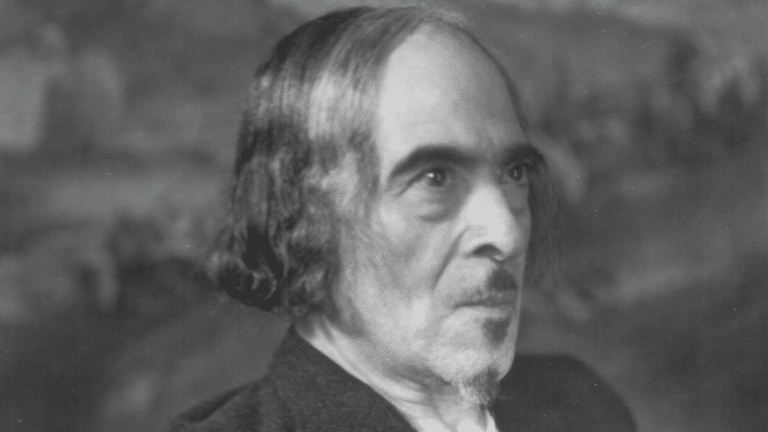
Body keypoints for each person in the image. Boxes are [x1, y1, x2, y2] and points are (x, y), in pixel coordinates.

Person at [168, 6, 636, 432]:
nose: (508, 234)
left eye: (514, 173)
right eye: (435, 178)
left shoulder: (581, 404)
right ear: (310, 213)